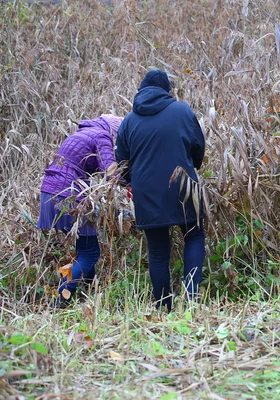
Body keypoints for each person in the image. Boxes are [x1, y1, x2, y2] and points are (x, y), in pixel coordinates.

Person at [115, 70, 205, 311]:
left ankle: (163, 306)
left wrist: (132, 183)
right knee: (194, 236)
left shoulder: (129, 121)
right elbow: (198, 149)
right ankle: (192, 299)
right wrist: (191, 165)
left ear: (141, 90)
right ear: (167, 90)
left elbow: (122, 163)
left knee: (157, 252)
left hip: (146, 193)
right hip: (184, 184)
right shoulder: (183, 111)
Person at [37, 114, 124, 307]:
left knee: (85, 250)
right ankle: (60, 300)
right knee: (90, 253)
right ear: (113, 131)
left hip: (49, 191)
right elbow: (111, 173)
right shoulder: (102, 136)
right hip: (68, 194)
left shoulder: (82, 133)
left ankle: (90, 291)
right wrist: (131, 182)